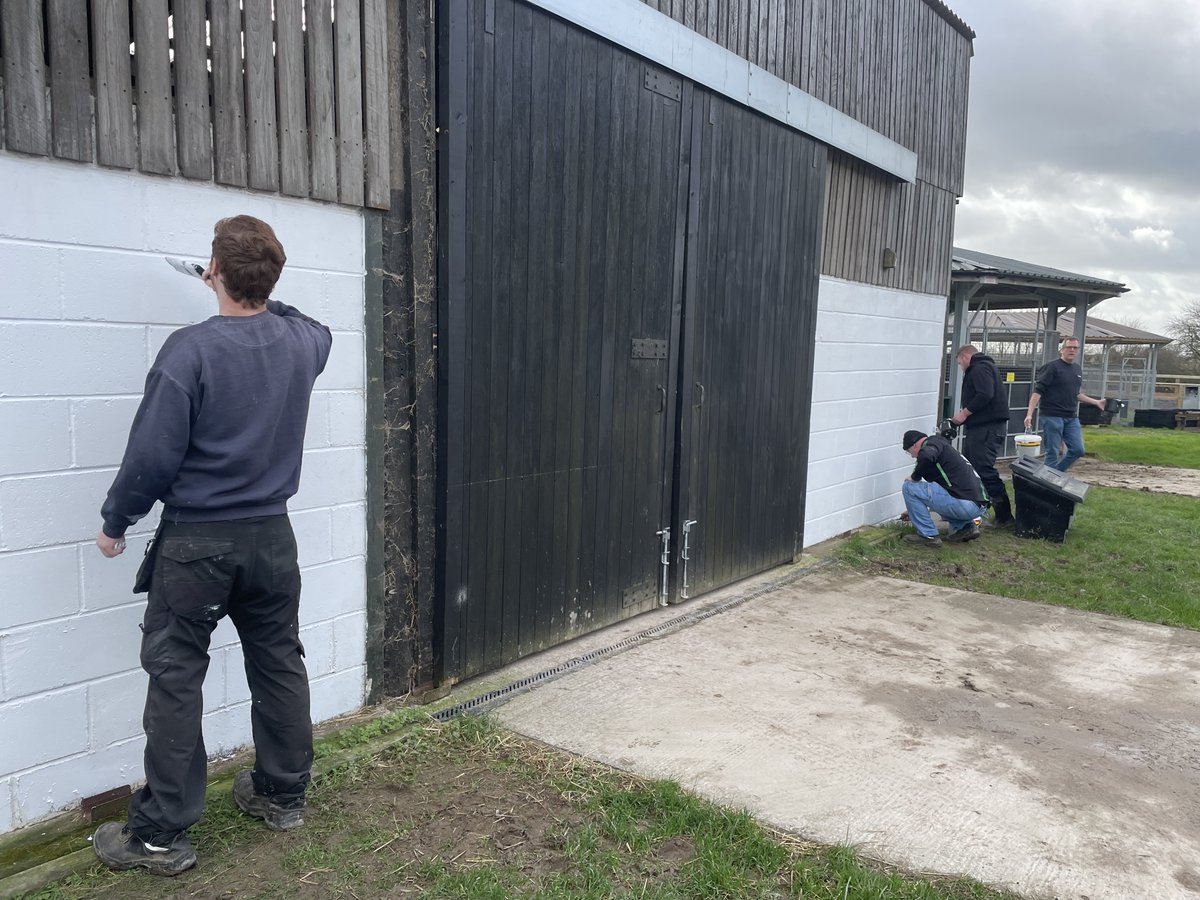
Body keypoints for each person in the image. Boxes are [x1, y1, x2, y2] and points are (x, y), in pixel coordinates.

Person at [91, 216, 332, 876]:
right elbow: (314, 326)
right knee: (279, 661)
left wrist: (117, 522)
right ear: (272, 278)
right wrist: (258, 293)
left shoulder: (188, 353)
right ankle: (282, 796)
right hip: (271, 542)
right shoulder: (301, 341)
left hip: (199, 545)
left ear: (214, 272)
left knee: (175, 677)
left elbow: (151, 457)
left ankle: (161, 835)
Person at [949, 345, 1014, 527]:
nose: (961, 367)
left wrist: (964, 413)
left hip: (986, 428)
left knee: (983, 469)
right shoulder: (986, 367)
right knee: (973, 467)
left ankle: (1004, 515)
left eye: (960, 362)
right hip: (983, 426)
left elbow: (985, 394)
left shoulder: (979, 368)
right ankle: (978, 510)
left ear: (966, 356)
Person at [1023, 337, 1106, 472]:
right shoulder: (1052, 367)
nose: (1072, 350)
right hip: (1052, 416)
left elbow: (1076, 394)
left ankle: (1054, 474)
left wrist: (1096, 402)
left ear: (1078, 351)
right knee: (1053, 453)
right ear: (1061, 350)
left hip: (1071, 417)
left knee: (1078, 450)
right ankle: (1047, 483)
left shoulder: (1077, 369)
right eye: (1069, 347)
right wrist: (1029, 415)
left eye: (1075, 348)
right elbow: (1037, 392)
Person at [901, 429, 989, 547]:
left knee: (909, 486)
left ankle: (928, 536)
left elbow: (927, 456)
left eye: (909, 451)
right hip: (977, 505)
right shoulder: (942, 446)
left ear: (915, 444)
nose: (912, 456)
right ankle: (965, 527)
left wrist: (914, 477)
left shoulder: (930, 445)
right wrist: (914, 510)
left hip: (964, 504)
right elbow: (941, 492)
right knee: (934, 490)